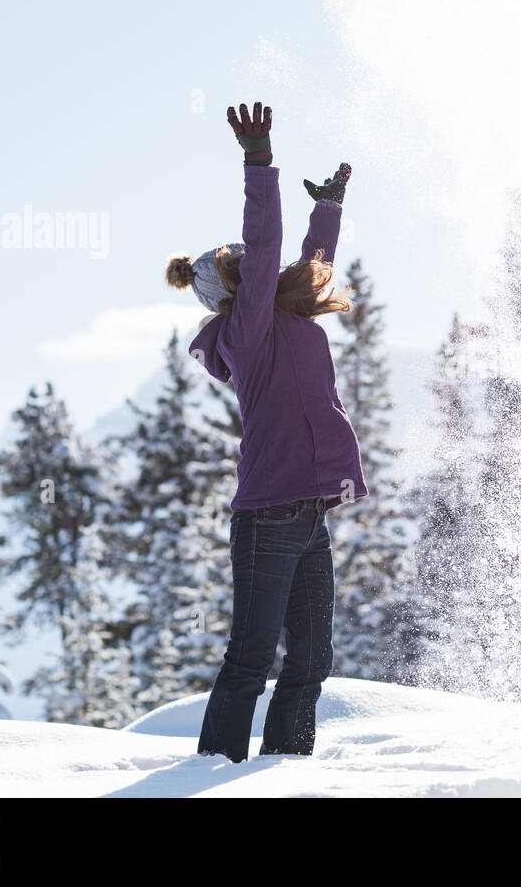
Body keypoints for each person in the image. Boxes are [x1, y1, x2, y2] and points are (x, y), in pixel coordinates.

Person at [164, 100, 367, 761]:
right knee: (251, 658)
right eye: (242, 263)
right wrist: (258, 162)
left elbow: (307, 265)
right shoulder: (248, 331)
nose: (256, 263)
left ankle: (286, 771)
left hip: (309, 515)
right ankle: (209, 774)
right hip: (267, 519)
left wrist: (328, 209)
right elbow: (270, 246)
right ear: (232, 291)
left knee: (311, 658)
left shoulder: (287, 315)